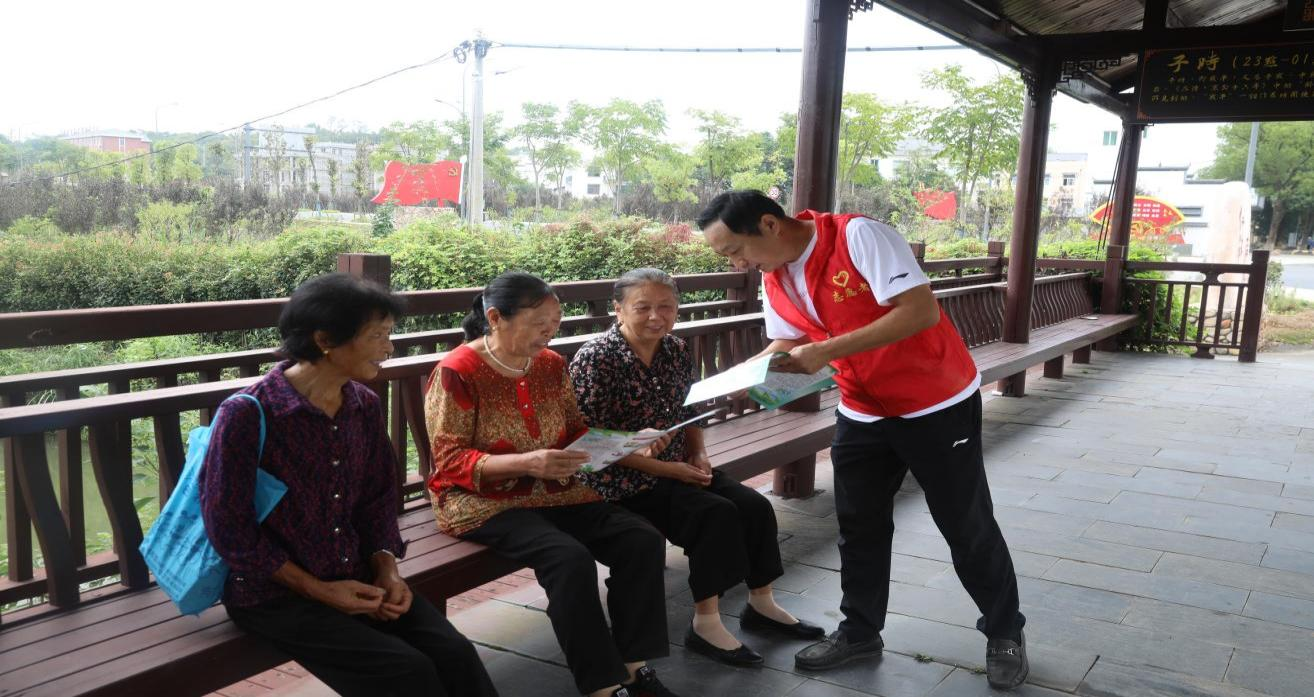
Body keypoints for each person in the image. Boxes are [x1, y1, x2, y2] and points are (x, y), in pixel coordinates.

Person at [694, 191, 1030, 690]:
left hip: (934, 401)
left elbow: (919, 312)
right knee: (859, 526)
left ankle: (1004, 631)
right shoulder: (774, 274)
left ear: (769, 224)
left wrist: (824, 350)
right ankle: (859, 631)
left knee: (965, 523)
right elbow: (788, 340)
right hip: (861, 408)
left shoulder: (857, 237)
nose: (738, 265)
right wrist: (754, 369)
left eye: (735, 251)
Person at [200, 273, 498, 697]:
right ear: (324, 339)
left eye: (389, 335)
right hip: (274, 593)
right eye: (377, 336)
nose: (389, 348)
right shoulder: (249, 414)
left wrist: (387, 570)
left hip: (355, 575)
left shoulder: (363, 404)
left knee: (455, 653)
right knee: (404, 672)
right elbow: (230, 530)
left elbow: (377, 499)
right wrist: (321, 591)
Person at [424, 271, 680, 697]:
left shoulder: (550, 364)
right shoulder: (458, 370)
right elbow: (449, 461)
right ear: (495, 318)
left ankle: (634, 666)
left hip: (556, 488)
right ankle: (601, 685)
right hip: (483, 500)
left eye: (555, 323)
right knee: (567, 558)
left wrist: (628, 442)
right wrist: (528, 462)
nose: (549, 332)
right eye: (539, 323)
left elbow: (575, 432)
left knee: (640, 539)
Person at [568, 268, 826, 668]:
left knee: (754, 506)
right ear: (618, 309)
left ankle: (761, 603)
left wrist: (700, 454)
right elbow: (590, 444)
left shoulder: (674, 349)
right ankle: (706, 623)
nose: (656, 316)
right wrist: (669, 471)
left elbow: (689, 411)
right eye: (643, 307)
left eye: (666, 307)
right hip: (619, 479)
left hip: (676, 466)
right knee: (713, 514)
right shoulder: (596, 358)